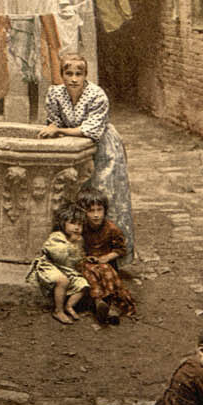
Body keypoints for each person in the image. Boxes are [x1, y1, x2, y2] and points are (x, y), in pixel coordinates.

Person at [38, 53, 135, 262]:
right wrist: (57, 130)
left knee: (103, 196)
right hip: (73, 149)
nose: (74, 79)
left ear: (85, 75)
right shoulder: (55, 94)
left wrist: (60, 131)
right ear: (62, 75)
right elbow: (53, 123)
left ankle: (110, 257)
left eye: (79, 74)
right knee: (77, 198)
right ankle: (82, 254)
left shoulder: (97, 95)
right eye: (69, 73)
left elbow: (90, 131)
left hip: (103, 149)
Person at [77, 187, 136, 324]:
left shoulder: (111, 229)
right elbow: (75, 247)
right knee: (90, 271)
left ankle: (109, 305)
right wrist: (85, 257)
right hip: (86, 262)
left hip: (105, 262)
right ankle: (100, 303)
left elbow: (121, 249)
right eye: (91, 211)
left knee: (106, 272)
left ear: (105, 210)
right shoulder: (81, 228)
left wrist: (107, 257)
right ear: (83, 212)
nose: (96, 215)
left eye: (99, 210)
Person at [25, 203, 89, 325]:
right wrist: (71, 244)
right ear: (63, 223)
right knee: (62, 281)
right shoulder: (56, 237)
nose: (77, 227)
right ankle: (58, 310)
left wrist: (79, 249)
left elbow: (77, 259)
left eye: (80, 224)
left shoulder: (79, 239)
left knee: (83, 284)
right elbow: (60, 257)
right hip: (50, 266)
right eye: (73, 223)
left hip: (67, 268)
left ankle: (69, 305)